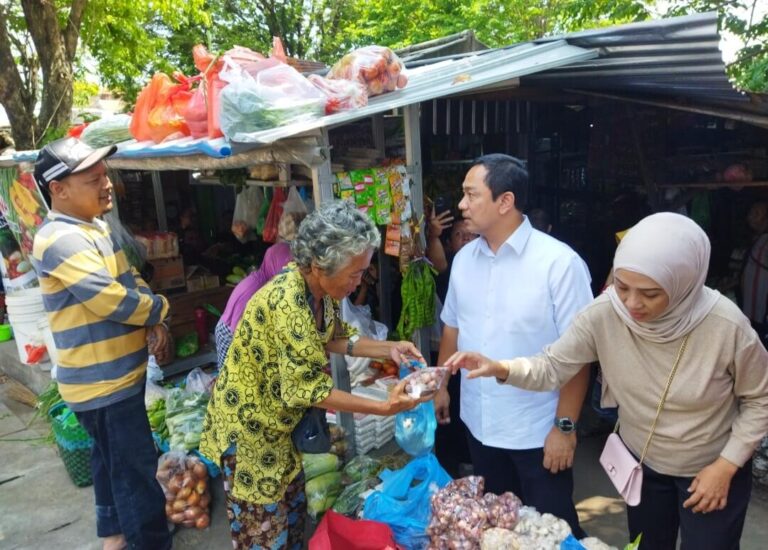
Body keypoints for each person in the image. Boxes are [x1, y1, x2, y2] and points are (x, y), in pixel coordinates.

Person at [447, 212, 768, 549]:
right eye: (623, 286)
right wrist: (501, 367)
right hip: (642, 464)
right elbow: (554, 365)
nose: (631, 303)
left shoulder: (726, 327)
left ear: (684, 283)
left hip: (711, 468)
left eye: (649, 293)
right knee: (646, 544)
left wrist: (728, 464)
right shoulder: (605, 312)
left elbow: (760, 398)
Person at [199, 200, 430, 549]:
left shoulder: (323, 292)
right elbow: (308, 390)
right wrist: (385, 407)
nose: (359, 281)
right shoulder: (287, 302)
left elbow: (337, 336)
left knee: (292, 520)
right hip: (250, 432)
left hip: (281, 428)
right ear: (321, 265)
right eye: (354, 274)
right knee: (263, 531)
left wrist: (390, 347)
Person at [435, 154, 593, 536]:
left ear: (504, 202)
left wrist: (565, 427)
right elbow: (452, 328)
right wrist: (441, 383)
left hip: (537, 432)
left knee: (551, 531)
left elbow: (581, 354)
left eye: (471, 195)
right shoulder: (464, 260)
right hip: (480, 425)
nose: (461, 205)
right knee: (500, 529)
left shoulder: (559, 264)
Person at [31, 137, 172, 550]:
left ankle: (113, 536)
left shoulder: (93, 226)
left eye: (104, 175)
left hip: (115, 379)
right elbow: (110, 299)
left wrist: (153, 320)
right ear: (59, 189)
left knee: (111, 462)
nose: (106, 184)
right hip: (102, 386)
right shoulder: (60, 238)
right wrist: (160, 310)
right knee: (137, 476)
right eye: (93, 179)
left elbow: (130, 279)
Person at [214, 210, 306, 369]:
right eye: (286, 268)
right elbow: (241, 332)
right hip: (230, 335)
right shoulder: (255, 287)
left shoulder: (268, 282)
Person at [740, 201, 768, 343]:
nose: (750, 217)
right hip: (750, 308)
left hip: (759, 310)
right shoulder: (757, 240)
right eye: (751, 213)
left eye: (756, 214)